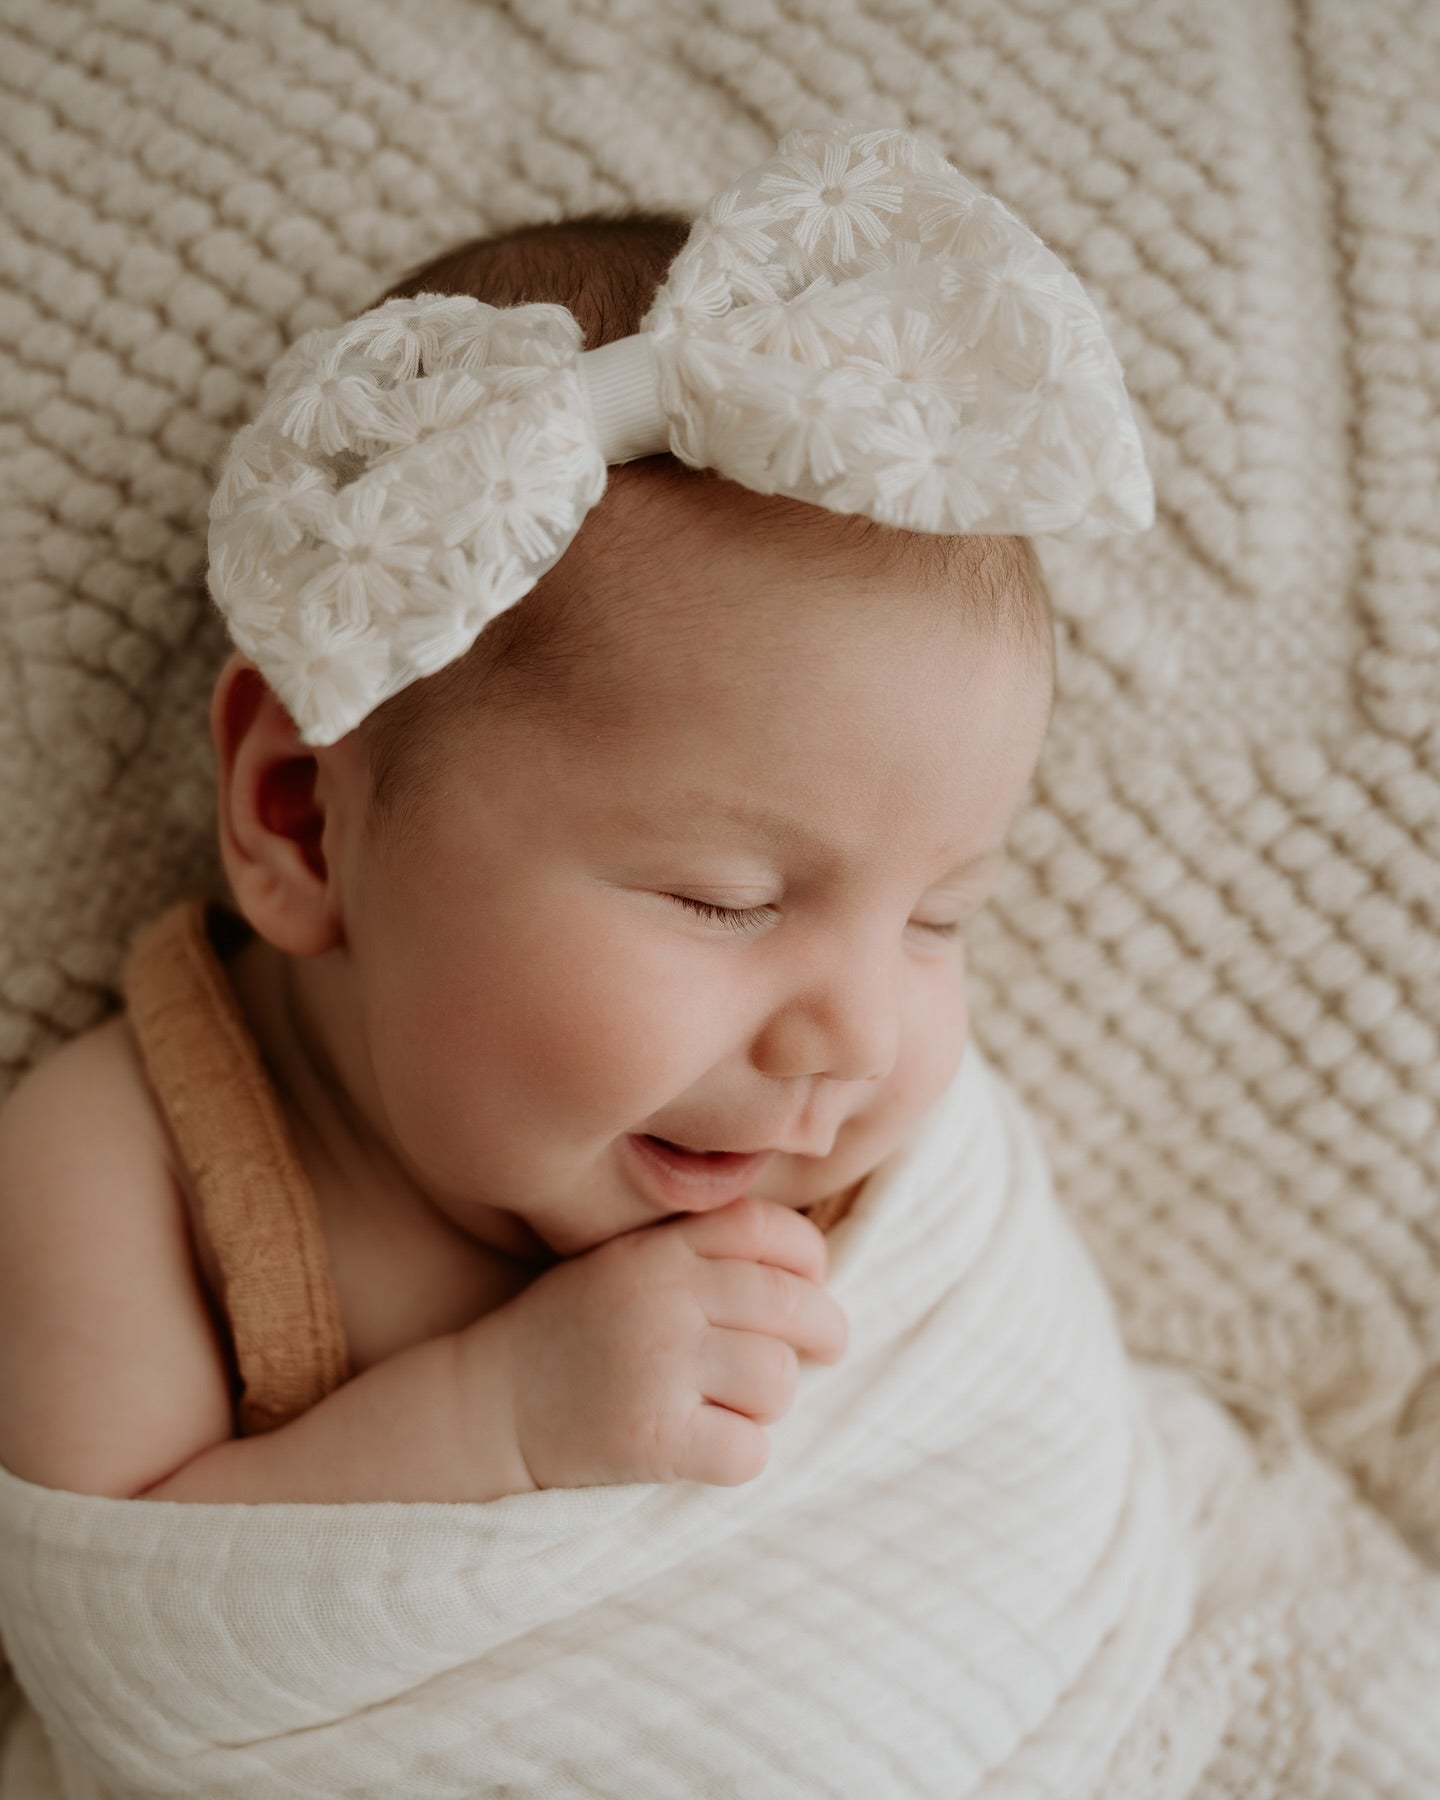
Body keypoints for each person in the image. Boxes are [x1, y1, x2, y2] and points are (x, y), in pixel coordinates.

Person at [0, 122, 1133, 1508]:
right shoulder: (123, 1175)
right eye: (724, 900)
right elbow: (136, 1647)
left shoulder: (878, 1186)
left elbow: (1032, 1482)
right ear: (300, 818)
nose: (861, 1036)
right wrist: (501, 1419)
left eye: (940, 918)